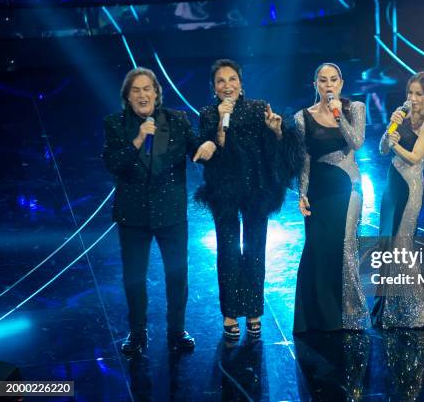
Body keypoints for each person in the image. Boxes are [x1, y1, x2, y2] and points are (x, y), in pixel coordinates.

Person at [195, 59, 303, 340]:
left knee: (255, 249)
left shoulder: (258, 109)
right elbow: (214, 149)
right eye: (221, 81)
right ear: (214, 87)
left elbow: (274, 147)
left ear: (241, 84)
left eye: (232, 79)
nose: (227, 85)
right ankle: (230, 313)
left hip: (257, 188)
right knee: (228, 251)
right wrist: (221, 119)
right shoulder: (208, 113)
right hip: (225, 190)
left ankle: (254, 311)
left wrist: (277, 129)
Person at [103, 67, 208, 354]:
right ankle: (137, 334)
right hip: (133, 216)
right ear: (127, 96)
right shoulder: (115, 124)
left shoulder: (177, 120)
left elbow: (196, 148)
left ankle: (177, 331)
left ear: (156, 93)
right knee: (134, 277)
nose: (142, 94)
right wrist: (138, 139)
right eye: (136, 90)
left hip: (171, 213)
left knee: (177, 274)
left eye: (147, 88)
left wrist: (209, 144)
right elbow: (113, 163)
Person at [293, 62, 369, 334]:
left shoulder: (354, 109)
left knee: (344, 248)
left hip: (347, 189)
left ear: (341, 83)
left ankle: (348, 314)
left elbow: (357, 142)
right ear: (315, 85)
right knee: (317, 248)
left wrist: (339, 115)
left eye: (333, 80)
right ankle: (317, 316)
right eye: (322, 80)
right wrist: (301, 192)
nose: (328, 85)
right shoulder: (302, 117)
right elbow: (304, 159)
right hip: (318, 190)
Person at [371, 71, 424, 328]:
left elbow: (414, 157)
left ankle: (416, 311)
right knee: (388, 245)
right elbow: (381, 149)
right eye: (410, 93)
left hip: (410, 187)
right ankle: (392, 307)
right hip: (392, 185)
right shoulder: (402, 115)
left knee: (402, 246)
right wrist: (391, 127)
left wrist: (395, 143)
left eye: (418, 94)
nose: (413, 98)